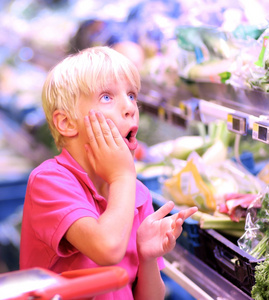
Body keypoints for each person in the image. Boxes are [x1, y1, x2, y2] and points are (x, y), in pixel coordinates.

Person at [19, 46, 198, 300]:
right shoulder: (50, 181)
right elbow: (107, 248)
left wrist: (148, 257)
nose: (130, 108)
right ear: (67, 123)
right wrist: (122, 176)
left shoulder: (137, 195)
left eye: (132, 96)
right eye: (106, 97)